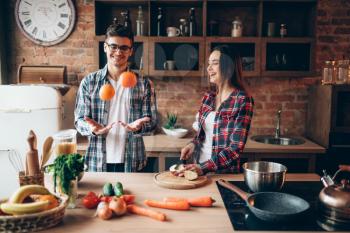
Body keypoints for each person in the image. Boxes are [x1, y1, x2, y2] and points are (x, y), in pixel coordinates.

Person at [74, 23, 157, 172]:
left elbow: (152, 121)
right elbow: (79, 120)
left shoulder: (144, 84)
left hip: (133, 161)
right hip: (97, 162)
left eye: (124, 48)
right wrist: (91, 128)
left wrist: (139, 127)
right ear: (105, 47)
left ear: (131, 51)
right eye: (113, 46)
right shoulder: (89, 82)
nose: (118, 52)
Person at [178, 45, 254, 175]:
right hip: (198, 169)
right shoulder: (209, 97)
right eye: (208, 64)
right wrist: (192, 144)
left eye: (215, 63)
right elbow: (202, 135)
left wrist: (204, 167)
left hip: (222, 174)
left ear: (229, 67)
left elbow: (235, 148)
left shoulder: (242, 100)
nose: (208, 68)